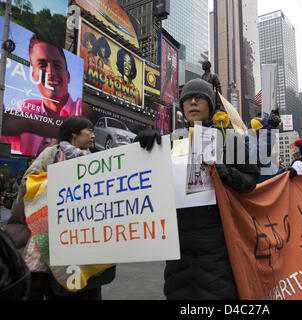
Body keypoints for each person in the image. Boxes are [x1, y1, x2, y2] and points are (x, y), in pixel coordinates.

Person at [135, 78, 260, 300]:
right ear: (182, 107)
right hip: (178, 246)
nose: (193, 102)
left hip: (219, 244)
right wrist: (146, 149)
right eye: (187, 99)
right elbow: (147, 183)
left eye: (199, 98)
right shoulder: (172, 141)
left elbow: (251, 181)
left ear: (210, 105)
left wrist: (226, 173)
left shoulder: (228, 140)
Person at [5, 116, 115, 300]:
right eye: (89, 131)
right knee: (40, 280)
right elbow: (28, 181)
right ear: (74, 134)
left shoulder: (95, 159)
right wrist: (58, 184)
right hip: (49, 231)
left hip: (83, 231)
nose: (93, 136)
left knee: (87, 285)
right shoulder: (52, 153)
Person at [1, 34, 82, 156]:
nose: (50, 72)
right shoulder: (25, 112)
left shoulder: (80, 107)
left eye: (56, 65)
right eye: (42, 65)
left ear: (68, 76)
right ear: (33, 75)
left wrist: (29, 123)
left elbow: (80, 128)